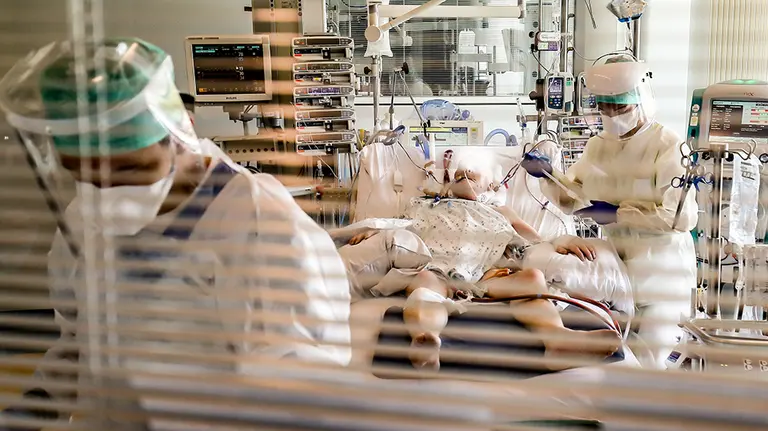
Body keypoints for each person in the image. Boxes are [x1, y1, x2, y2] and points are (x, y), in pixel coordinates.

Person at [0, 38, 351, 429]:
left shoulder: (258, 225)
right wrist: (33, 407)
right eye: (82, 174)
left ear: (179, 134)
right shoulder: (84, 219)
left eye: (130, 169)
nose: (108, 193)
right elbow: (81, 341)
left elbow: (297, 391)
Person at [340, 158, 621, 371]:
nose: (464, 175)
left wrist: (563, 240)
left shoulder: (501, 210)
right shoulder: (424, 203)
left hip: (487, 273)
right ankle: (425, 339)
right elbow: (399, 226)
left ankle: (558, 340)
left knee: (532, 278)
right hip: (435, 266)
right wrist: (374, 231)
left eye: (473, 174)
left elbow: (534, 240)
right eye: (459, 174)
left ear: (492, 185)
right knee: (425, 286)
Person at [521, 54, 698, 368]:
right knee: (618, 357)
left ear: (642, 101)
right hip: (616, 272)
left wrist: (619, 214)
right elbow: (572, 198)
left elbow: (681, 218)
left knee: (649, 361)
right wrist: (548, 174)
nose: (612, 116)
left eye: (621, 108)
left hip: (661, 275)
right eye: (605, 108)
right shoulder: (598, 146)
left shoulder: (668, 146)